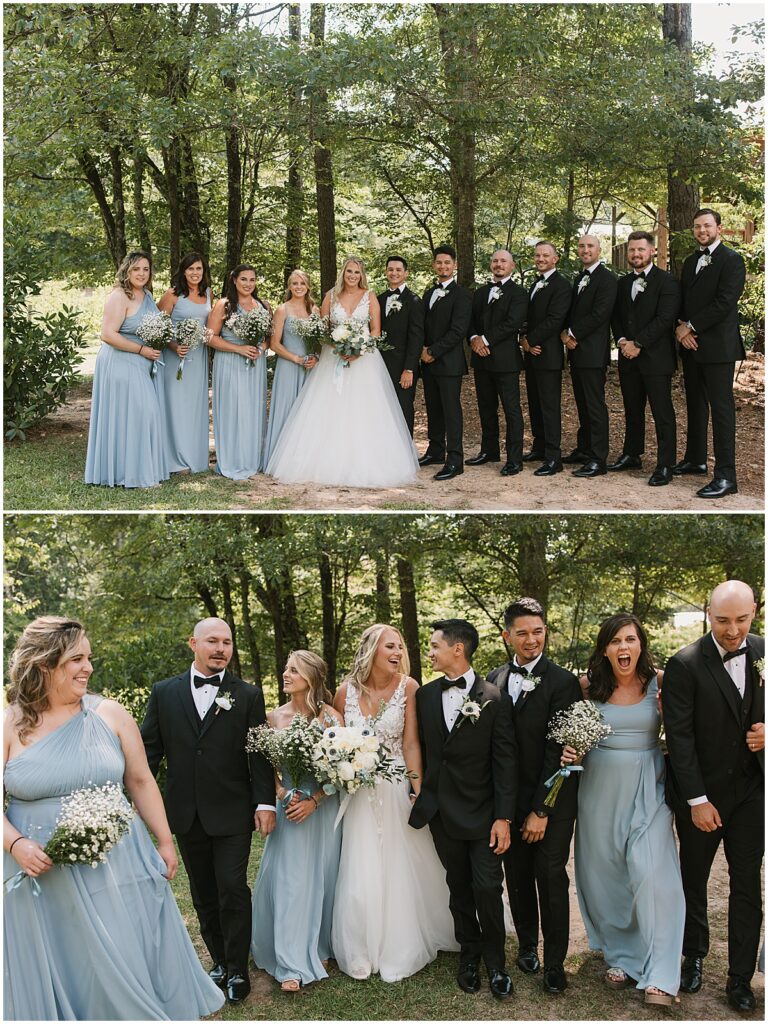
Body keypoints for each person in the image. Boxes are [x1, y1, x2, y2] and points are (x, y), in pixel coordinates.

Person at [3, 617, 224, 1021]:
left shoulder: (110, 714)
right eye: (76, 659)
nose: (88, 667)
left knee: (122, 948)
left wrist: (164, 840)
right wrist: (15, 844)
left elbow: (140, 780)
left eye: (89, 657)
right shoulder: (10, 722)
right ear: (43, 665)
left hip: (117, 862)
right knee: (65, 957)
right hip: (39, 870)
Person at [140, 617, 276, 1005]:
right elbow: (149, 753)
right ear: (193, 643)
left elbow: (260, 754)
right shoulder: (164, 693)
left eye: (227, 642)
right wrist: (135, 802)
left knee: (232, 888)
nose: (221, 648)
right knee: (202, 893)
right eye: (213, 641)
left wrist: (264, 802)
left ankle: (237, 969)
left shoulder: (247, 695)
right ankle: (217, 959)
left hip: (233, 811)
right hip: (184, 812)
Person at [566, 613, 685, 1005]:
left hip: (649, 788)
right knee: (608, 874)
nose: (623, 648)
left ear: (640, 645)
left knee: (655, 874)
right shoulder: (587, 687)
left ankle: (663, 974)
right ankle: (621, 955)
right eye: (615, 641)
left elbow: (691, 725)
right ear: (605, 649)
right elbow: (567, 735)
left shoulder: (661, 682)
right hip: (599, 791)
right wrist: (568, 750)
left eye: (630, 640)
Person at [332, 625, 458, 981]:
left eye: (401, 647)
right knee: (362, 865)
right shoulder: (346, 691)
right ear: (371, 649)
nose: (398, 653)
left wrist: (416, 788)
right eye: (391, 646)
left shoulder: (409, 687)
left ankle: (401, 945)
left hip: (395, 784)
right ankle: (361, 945)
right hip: (358, 791)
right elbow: (337, 738)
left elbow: (411, 744)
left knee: (403, 862)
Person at [662, 580, 764, 1012]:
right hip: (701, 795)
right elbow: (679, 739)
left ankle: (740, 977)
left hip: (750, 794)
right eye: (723, 620)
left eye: (741, 619)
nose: (732, 629)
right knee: (693, 880)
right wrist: (697, 800)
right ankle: (693, 956)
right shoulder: (685, 663)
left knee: (748, 885)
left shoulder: (762, 652)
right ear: (708, 614)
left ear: (755, 613)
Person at [409, 619, 516, 1000]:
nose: (430, 651)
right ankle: (469, 955)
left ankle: (497, 963)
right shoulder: (423, 696)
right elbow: (416, 746)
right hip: (442, 812)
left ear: (458, 649)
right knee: (458, 887)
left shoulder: (494, 696)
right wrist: (417, 788)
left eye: (435, 645)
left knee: (487, 887)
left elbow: (505, 763)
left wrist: (504, 817)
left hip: (485, 814)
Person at [487, 598, 581, 995]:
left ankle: (555, 962)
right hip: (508, 802)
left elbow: (560, 752)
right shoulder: (492, 679)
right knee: (518, 878)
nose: (531, 640)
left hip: (552, 803)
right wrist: (506, 810)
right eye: (522, 632)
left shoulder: (563, 682)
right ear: (507, 635)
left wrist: (542, 809)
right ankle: (527, 946)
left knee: (550, 877)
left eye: (538, 631)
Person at [265, 256, 420, 487]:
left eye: (357, 273)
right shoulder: (330, 296)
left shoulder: (370, 297)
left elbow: (376, 331)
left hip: (364, 361)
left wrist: (359, 349)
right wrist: (337, 345)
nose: (353, 276)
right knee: (328, 408)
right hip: (333, 359)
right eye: (349, 272)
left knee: (364, 411)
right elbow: (324, 330)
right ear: (343, 273)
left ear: (362, 275)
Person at [251, 651, 342, 991]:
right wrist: (282, 793)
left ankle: (318, 945)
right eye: (285, 667)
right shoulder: (273, 717)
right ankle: (289, 962)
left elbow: (344, 771)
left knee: (322, 878)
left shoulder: (331, 719)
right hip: (290, 809)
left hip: (320, 810)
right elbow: (264, 769)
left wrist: (314, 801)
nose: (285, 673)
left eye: (293, 669)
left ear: (311, 677)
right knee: (291, 883)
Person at [674, 209, 747, 499]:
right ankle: (695, 459)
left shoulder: (732, 260)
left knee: (721, 410)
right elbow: (683, 298)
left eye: (707, 225)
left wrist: (691, 326)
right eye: (697, 226)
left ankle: (727, 477)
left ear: (719, 227)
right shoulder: (691, 261)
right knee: (694, 403)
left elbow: (725, 302)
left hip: (718, 346)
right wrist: (682, 328)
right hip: (690, 345)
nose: (702, 230)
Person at [85, 250, 169, 488]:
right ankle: (136, 476)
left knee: (141, 415)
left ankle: (135, 470)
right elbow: (107, 334)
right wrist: (141, 350)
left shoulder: (148, 296)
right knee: (143, 412)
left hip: (141, 363)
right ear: (127, 271)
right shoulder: (119, 296)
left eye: (145, 269)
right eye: (136, 269)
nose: (141, 273)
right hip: (119, 360)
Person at [609, 231, 679, 486]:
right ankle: (632, 453)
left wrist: (639, 343)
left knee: (662, 412)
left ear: (652, 252)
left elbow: (665, 319)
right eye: (632, 250)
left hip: (656, 358)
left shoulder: (667, 282)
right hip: (628, 356)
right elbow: (616, 317)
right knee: (632, 409)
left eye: (641, 250)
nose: (636, 254)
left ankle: (665, 464)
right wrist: (621, 342)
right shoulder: (622, 283)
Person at [465, 250, 528, 477]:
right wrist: (474, 339)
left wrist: (486, 339)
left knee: (511, 410)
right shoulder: (480, 293)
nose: (498, 264)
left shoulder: (519, 294)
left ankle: (514, 459)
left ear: (512, 265)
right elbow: (469, 321)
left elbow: (513, 324)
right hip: (481, 360)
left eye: (503, 261)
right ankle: (489, 450)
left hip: (506, 361)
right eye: (495, 261)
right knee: (486, 408)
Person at [560, 235, 618, 478]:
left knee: (595, 405)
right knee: (582, 403)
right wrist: (566, 334)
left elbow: (600, 314)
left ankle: (598, 458)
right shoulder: (580, 278)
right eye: (582, 246)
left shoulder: (607, 279)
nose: (585, 250)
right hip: (577, 352)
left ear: (599, 249)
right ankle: (584, 449)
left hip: (593, 352)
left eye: (590, 246)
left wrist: (570, 332)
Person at [208, 264, 271, 479]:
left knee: (253, 409)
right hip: (229, 362)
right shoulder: (224, 305)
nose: (248, 284)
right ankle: (232, 459)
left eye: (252, 280)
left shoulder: (263, 305)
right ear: (234, 280)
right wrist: (239, 348)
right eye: (243, 279)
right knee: (232, 409)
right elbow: (210, 337)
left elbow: (270, 336)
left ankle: (252, 457)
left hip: (255, 364)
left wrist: (260, 348)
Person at [419, 245, 473, 481]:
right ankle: (435, 450)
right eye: (439, 262)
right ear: (434, 265)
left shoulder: (461, 295)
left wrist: (433, 350)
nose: (443, 266)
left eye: (447, 263)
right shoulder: (428, 293)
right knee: (433, 408)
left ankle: (455, 460)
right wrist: (422, 350)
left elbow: (458, 330)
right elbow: (421, 325)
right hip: (427, 362)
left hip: (448, 362)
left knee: (451, 411)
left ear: (455, 265)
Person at [158, 251, 214, 475]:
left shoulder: (208, 293)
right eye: (191, 269)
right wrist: (173, 345)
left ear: (203, 271)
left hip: (198, 357)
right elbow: (157, 328)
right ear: (183, 271)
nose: (195, 273)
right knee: (176, 406)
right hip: (176, 357)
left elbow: (209, 324)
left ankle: (194, 458)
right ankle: (175, 459)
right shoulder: (172, 294)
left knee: (195, 406)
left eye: (199, 268)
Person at [521, 241, 572, 476]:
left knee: (549, 407)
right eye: (537, 255)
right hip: (531, 353)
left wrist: (531, 340)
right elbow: (527, 317)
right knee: (535, 403)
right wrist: (523, 339)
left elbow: (555, 319)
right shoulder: (535, 284)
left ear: (555, 259)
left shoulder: (561, 285)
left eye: (545, 255)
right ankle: (539, 446)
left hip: (548, 353)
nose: (540, 259)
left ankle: (554, 457)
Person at [263, 270, 319, 463]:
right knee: (287, 408)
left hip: (309, 368)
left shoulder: (314, 309)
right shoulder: (282, 310)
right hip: (288, 366)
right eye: (294, 283)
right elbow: (274, 344)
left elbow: (320, 341)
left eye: (302, 283)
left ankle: (303, 459)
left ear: (308, 286)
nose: (298, 287)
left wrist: (315, 357)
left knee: (307, 411)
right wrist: (296, 359)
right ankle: (279, 459)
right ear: (289, 286)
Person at [377, 256, 424, 435]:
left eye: (398, 270)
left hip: (403, 366)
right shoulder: (379, 299)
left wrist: (409, 369)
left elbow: (416, 337)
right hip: (379, 365)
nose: (394, 273)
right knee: (382, 409)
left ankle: (405, 453)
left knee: (403, 408)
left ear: (406, 273)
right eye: (390, 269)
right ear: (385, 272)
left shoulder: (414, 301)